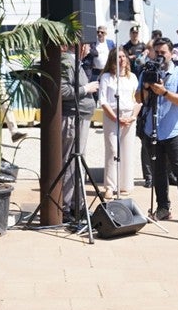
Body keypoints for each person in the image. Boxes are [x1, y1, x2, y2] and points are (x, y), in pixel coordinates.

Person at [136, 37, 178, 226]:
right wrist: (147, 88)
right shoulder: (146, 72)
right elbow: (138, 98)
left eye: (163, 52)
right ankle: (163, 208)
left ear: (171, 53)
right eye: (157, 52)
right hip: (151, 130)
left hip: (173, 131)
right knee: (158, 172)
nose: (160, 56)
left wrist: (164, 92)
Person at [59, 42, 98, 218]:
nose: (90, 49)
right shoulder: (67, 61)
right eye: (88, 45)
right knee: (70, 161)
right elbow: (63, 90)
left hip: (80, 117)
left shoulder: (75, 62)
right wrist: (86, 89)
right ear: (81, 46)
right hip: (72, 118)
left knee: (76, 162)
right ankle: (67, 207)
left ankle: (76, 204)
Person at [98, 49, 138, 200]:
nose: (121, 59)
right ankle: (109, 186)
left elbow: (137, 99)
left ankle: (125, 184)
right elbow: (103, 101)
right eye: (118, 57)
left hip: (129, 116)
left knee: (127, 150)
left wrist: (133, 116)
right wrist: (116, 118)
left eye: (123, 56)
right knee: (113, 150)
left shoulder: (132, 77)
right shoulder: (107, 77)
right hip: (112, 115)